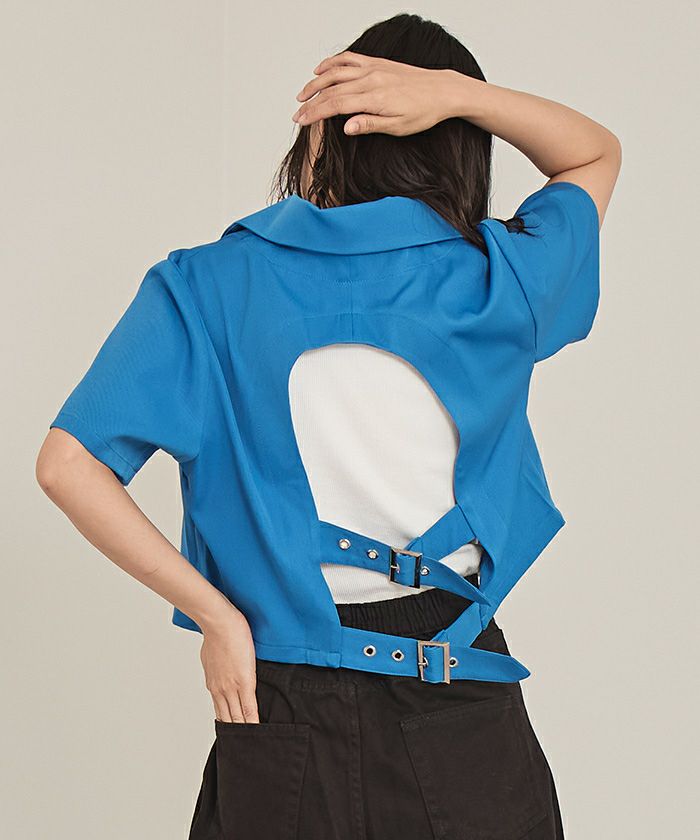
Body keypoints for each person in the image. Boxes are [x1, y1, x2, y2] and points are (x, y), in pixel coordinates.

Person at [35, 13, 621, 840]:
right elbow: (593, 154)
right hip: (460, 692)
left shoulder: (204, 286)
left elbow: (67, 464)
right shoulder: (502, 278)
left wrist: (216, 617)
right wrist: (458, 96)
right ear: (462, 146)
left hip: (278, 698)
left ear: (322, 136)